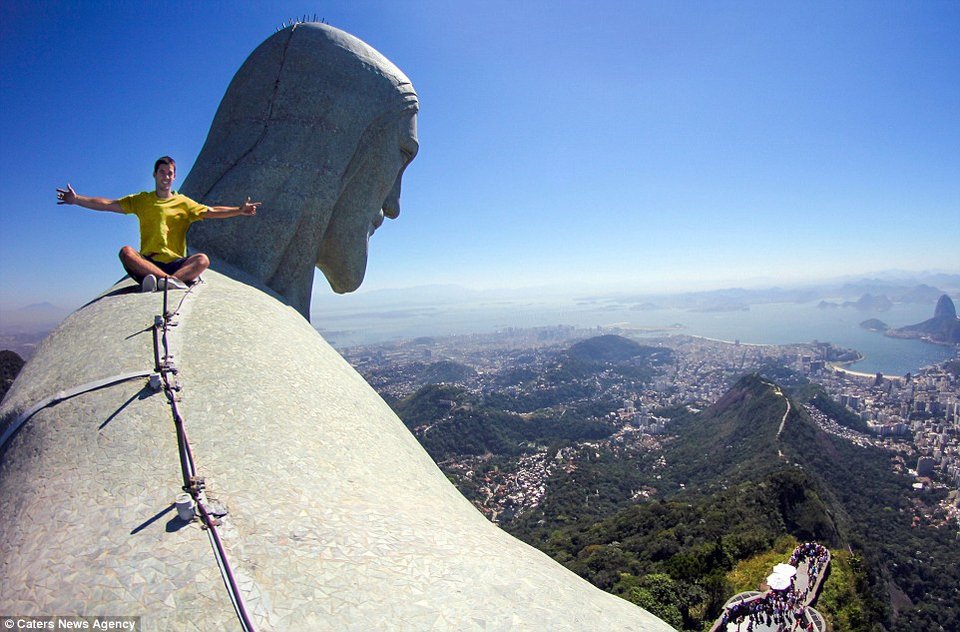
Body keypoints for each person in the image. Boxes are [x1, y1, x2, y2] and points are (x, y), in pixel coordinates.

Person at [56, 156, 261, 292]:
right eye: (162, 172)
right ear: (154, 174)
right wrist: (77, 200)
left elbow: (211, 211)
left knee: (202, 260)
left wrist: (239, 210)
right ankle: (170, 281)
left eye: (170, 173)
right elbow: (108, 204)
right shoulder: (142, 200)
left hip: (176, 262)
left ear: (174, 176)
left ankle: (164, 282)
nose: (166, 176)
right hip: (149, 263)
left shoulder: (183, 203)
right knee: (126, 252)